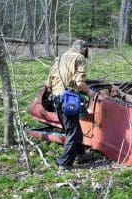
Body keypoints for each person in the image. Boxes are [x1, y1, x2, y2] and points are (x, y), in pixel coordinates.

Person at [46, 39, 95, 171]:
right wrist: (90, 93)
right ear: (84, 49)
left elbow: (48, 82)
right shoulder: (80, 58)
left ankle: (81, 154)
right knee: (72, 131)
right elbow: (80, 83)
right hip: (68, 100)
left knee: (75, 128)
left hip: (56, 98)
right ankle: (64, 163)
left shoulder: (59, 58)